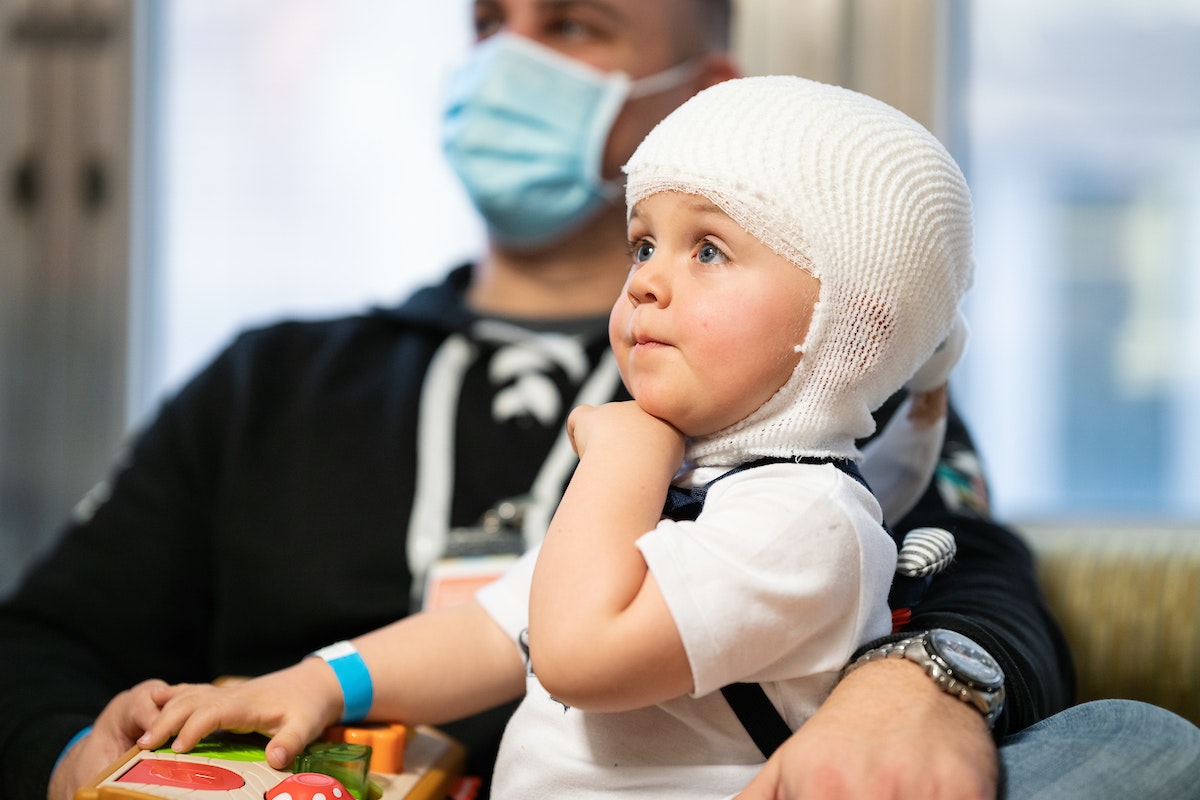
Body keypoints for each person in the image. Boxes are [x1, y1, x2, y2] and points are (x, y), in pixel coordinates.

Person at [1, 0, 1195, 798]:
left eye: (572, 21)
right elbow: (41, 639)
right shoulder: (267, 377)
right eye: (487, 22)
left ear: (708, 93)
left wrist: (929, 680)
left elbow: (964, 561)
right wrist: (125, 740)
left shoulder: (821, 434)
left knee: (1135, 749)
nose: (503, 57)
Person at [135, 74, 977, 799]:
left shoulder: (807, 521)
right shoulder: (696, 482)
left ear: (854, 330)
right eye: (643, 242)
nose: (645, 280)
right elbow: (503, 630)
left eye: (709, 249)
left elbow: (577, 655)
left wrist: (616, 464)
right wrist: (318, 683)